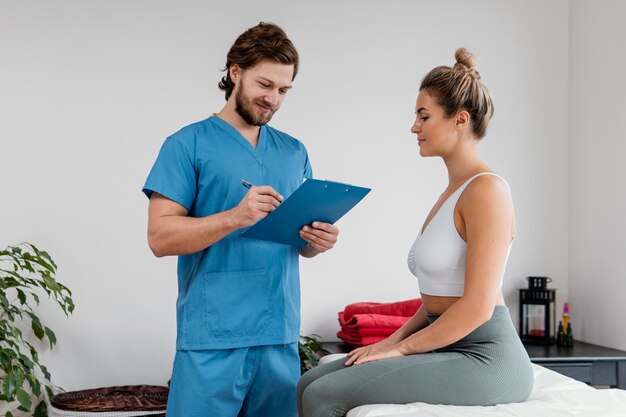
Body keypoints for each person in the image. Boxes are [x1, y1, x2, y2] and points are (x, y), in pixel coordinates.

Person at [297, 48, 534, 417]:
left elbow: (476, 306)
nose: (414, 127)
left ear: (460, 120)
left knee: (323, 394)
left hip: (488, 357)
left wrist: (402, 349)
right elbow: (437, 300)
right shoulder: (451, 194)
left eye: (424, 116)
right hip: (450, 344)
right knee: (309, 381)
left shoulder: (488, 191)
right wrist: (388, 342)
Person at [142, 22, 339, 417]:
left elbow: (299, 244)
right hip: (212, 340)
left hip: (278, 336)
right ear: (235, 72)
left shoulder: (293, 152)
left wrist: (316, 241)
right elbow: (160, 238)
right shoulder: (187, 144)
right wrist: (234, 216)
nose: (273, 99)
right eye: (265, 85)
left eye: (283, 90)